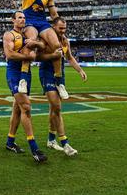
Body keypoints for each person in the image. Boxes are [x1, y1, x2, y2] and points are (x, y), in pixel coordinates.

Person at [2, 0, 67, 99]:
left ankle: (59, 81)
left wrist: (59, 27)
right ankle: (23, 78)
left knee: (57, 45)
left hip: (42, 22)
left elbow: (53, 12)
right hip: (29, 21)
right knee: (31, 41)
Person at [38, 17, 87, 157]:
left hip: (61, 75)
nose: (63, 31)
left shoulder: (65, 40)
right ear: (53, 27)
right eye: (60, 28)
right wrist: (52, 55)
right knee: (57, 107)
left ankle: (51, 140)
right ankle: (65, 142)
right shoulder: (45, 39)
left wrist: (80, 70)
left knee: (54, 108)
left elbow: (70, 58)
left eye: (64, 28)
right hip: (47, 73)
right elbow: (38, 57)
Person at [3, 11, 47, 163]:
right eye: (19, 17)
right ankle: (34, 148)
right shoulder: (9, 35)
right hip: (14, 73)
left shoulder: (29, 35)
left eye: (23, 18)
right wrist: (28, 56)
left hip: (27, 73)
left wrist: (35, 44)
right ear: (13, 20)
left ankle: (10, 142)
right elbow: (10, 55)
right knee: (26, 107)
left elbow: (42, 46)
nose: (22, 20)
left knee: (17, 108)